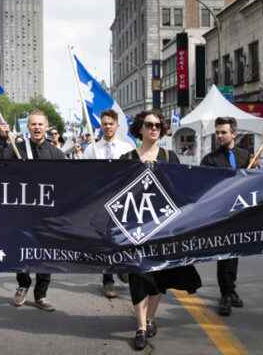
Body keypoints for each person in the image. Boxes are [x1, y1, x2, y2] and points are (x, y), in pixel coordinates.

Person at [121, 109, 202, 351]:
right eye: (149, 124)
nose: (154, 128)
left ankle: (150, 318)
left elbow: (180, 191)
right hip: (135, 229)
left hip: (164, 229)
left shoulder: (170, 157)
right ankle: (141, 328)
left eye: (158, 125)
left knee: (158, 278)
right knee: (138, 277)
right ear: (140, 129)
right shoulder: (126, 159)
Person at [0, 110, 65, 312]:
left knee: (46, 252)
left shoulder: (55, 153)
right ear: (28, 127)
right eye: (33, 124)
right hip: (22, 211)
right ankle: (23, 283)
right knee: (20, 249)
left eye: (40, 124)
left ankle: (41, 295)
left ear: (46, 127)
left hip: (47, 213)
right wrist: (3, 141)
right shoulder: (16, 149)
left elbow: (69, 179)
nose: (37, 128)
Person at [201, 117, 251, 317]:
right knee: (224, 253)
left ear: (234, 134)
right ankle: (225, 294)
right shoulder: (210, 160)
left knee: (235, 251)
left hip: (241, 210)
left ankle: (231, 289)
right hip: (221, 213)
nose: (220, 136)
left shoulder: (246, 156)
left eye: (223, 132)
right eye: (218, 132)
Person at [83, 109, 133, 299]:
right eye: (104, 123)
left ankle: (123, 268)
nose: (107, 126)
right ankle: (108, 280)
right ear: (100, 125)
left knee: (123, 237)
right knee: (105, 240)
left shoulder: (126, 148)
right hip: (101, 201)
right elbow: (84, 176)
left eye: (111, 123)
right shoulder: (92, 149)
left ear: (117, 125)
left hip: (122, 200)